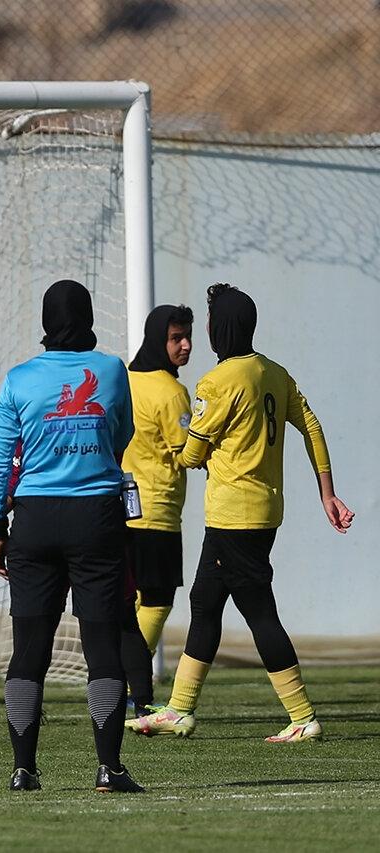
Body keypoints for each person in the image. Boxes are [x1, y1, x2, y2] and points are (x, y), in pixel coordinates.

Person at [130, 283, 353, 743]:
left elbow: (191, 455)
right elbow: (311, 425)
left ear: (220, 329)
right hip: (265, 511)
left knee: (258, 612)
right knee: (204, 604)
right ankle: (180, 708)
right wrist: (327, 492)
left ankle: (302, 715)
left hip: (234, 514)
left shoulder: (218, 381)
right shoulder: (274, 372)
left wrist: (200, 444)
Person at [0, 279, 143, 793]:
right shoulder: (112, 370)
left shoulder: (18, 379)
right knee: (101, 644)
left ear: (47, 322)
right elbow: (121, 436)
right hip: (96, 518)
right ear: (89, 315)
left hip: (33, 520)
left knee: (30, 647)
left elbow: (0, 460)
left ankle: (23, 769)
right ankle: (108, 768)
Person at [120, 304, 194, 717]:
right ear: (156, 340)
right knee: (158, 598)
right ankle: (127, 675)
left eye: (187, 337)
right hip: (158, 508)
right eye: (175, 338)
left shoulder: (125, 381)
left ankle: (122, 675)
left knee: (130, 597)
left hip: (121, 506)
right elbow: (186, 454)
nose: (185, 346)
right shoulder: (171, 391)